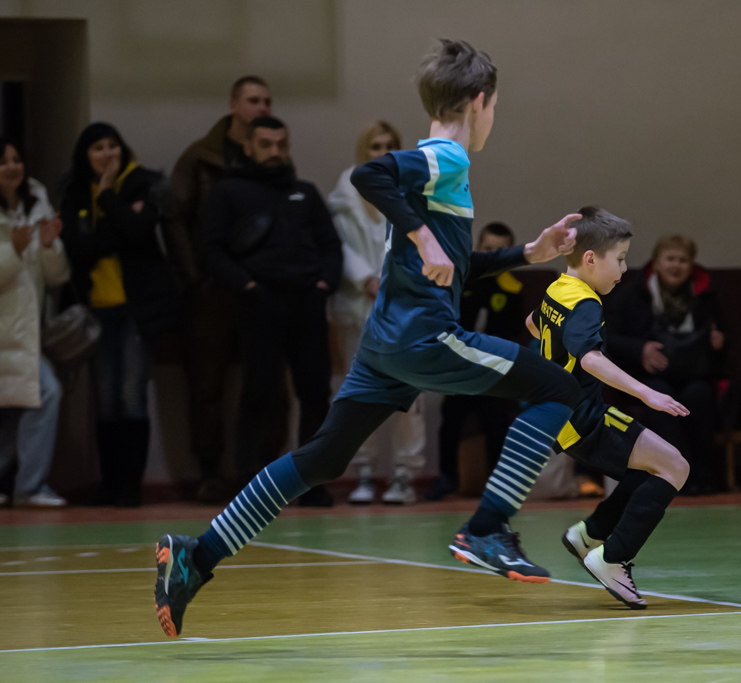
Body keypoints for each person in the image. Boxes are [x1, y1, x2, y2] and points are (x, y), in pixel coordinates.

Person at [154, 39, 582, 639]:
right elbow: (367, 174)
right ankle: (486, 528)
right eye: (495, 108)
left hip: (384, 344)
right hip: (424, 338)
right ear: (479, 102)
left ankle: (195, 558)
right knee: (559, 388)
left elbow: (451, 267)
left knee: (322, 459)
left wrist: (527, 253)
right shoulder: (446, 159)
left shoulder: (438, 168)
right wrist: (425, 239)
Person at [525, 207, 690, 608]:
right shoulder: (586, 303)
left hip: (562, 416)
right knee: (676, 467)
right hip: (583, 419)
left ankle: (589, 533)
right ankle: (613, 559)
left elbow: (533, 323)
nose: (624, 268)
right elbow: (591, 360)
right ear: (590, 259)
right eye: (619, 259)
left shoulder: (557, 288)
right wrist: (647, 394)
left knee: (650, 469)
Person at [201, 116, 341, 507]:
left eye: (281, 144)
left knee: (316, 391)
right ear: (248, 147)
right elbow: (210, 250)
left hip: (307, 300)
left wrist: (324, 284)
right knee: (258, 391)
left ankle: (311, 481)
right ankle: (248, 480)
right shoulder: (228, 192)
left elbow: (331, 245)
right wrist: (246, 286)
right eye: (265, 144)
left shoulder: (304, 192)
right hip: (259, 301)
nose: (274, 151)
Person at [164, 76, 289, 503]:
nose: (262, 107)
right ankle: (211, 473)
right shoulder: (200, 156)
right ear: (234, 105)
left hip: (263, 285)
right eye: (254, 100)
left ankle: (266, 473)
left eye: (267, 100)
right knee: (207, 384)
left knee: (271, 382)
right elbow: (174, 217)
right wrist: (194, 277)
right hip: (213, 286)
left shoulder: (275, 155)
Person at [60, 123, 180, 507]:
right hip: (96, 309)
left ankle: (130, 486)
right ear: (85, 155)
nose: (107, 153)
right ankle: (109, 483)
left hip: (135, 309)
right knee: (105, 399)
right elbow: (76, 248)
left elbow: (139, 231)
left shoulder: (143, 183)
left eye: (112, 145)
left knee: (131, 396)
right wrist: (118, 227)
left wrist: (109, 194)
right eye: (98, 147)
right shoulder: (74, 191)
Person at [328, 121, 426, 506]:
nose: (382, 151)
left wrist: (394, 281)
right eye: (374, 146)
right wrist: (365, 278)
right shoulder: (345, 192)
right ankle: (364, 470)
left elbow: (423, 245)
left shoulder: (412, 191)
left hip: (404, 305)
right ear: (363, 151)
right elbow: (338, 246)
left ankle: (404, 473)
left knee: (407, 394)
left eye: (389, 145)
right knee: (360, 392)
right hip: (358, 305)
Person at [605, 234, 725, 495]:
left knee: (699, 395)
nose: (676, 266)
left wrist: (719, 339)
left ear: (692, 266)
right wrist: (640, 349)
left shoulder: (705, 295)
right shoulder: (632, 294)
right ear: (656, 263)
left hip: (693, 373)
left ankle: (702, 476)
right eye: (670, 259)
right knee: (660, 397)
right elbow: (608, 337)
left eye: (683, 260)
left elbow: (724, 333)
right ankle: (669, 476)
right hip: (648, 374)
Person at [429, 222, 524, 501]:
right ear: (478, 248)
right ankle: (446, 478)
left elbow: (512, 332)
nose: (492, 255)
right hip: (458, 366)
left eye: (500, 251)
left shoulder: (512, 288)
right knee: (451, 419)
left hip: (492, 369)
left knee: (496, 420)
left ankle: (497, 483)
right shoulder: (461, 279)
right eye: (487, 248)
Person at [0, 137, 70, 508]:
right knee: (24, 402)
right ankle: (26, 485)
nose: (12, 167)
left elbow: (57, 277)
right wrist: (13, 252)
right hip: (5, 331)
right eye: (3, 161)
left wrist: (47, 246)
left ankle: (29, 487)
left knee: (40, 394)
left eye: (16, 159)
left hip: (26, 330)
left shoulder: (37, 200)